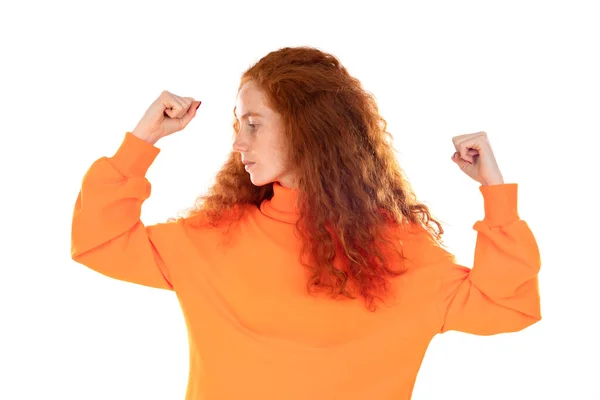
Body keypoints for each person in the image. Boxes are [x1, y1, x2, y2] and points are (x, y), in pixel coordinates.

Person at [71, 46, 541, 400]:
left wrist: (495, 193)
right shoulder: (214, 239)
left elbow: (507, 305)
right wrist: (142, 139)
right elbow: (99, 241)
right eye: (238, 123)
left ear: (309, 129)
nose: (239, 142)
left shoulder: (399, 254)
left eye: (253, 123)